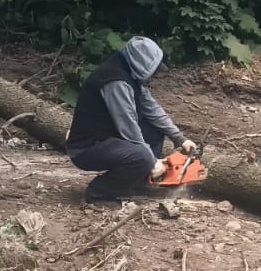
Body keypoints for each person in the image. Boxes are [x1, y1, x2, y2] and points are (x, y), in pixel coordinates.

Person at [66, 36, 197, 202]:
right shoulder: (116, 82)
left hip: (109, 138)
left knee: (154, 130)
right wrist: (152, 161)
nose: (154, 74)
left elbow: (152, 109)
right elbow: (128, 127)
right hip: (87, 148)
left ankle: (137, 183)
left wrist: (180, 138)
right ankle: (98, 192)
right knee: (142, 156)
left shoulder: (131, 74)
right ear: (142, 64)